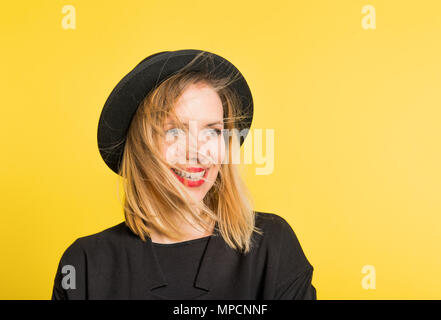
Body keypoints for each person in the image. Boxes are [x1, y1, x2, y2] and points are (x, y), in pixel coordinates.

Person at [51, 49, 317, 300]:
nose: (198, 153)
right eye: (174, 132)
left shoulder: (272, 246)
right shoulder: (85, 264)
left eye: (212, 130)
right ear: (140, 146)